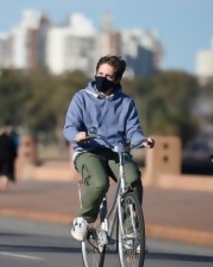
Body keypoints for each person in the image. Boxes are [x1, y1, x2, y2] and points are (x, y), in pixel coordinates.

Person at [63, 55, 155, 242]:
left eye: (109, 76)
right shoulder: (81, 98)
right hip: (88, 151)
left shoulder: (126, 102)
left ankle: (130, 232)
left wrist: (143, 140)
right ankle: (84, 220)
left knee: (133, 178)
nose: (102, 79)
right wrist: (77, 135)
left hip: (116, 152)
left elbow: (133, 131)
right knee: (99, 183)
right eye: (100, 74)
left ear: (118, 80)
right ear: (95, 73)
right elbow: (69, 127)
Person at [0, 126, 17, 190]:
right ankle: (4, 185)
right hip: (7, 158)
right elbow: (13, 149)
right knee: (6, 172)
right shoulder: (10, 139)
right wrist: (13, 156)